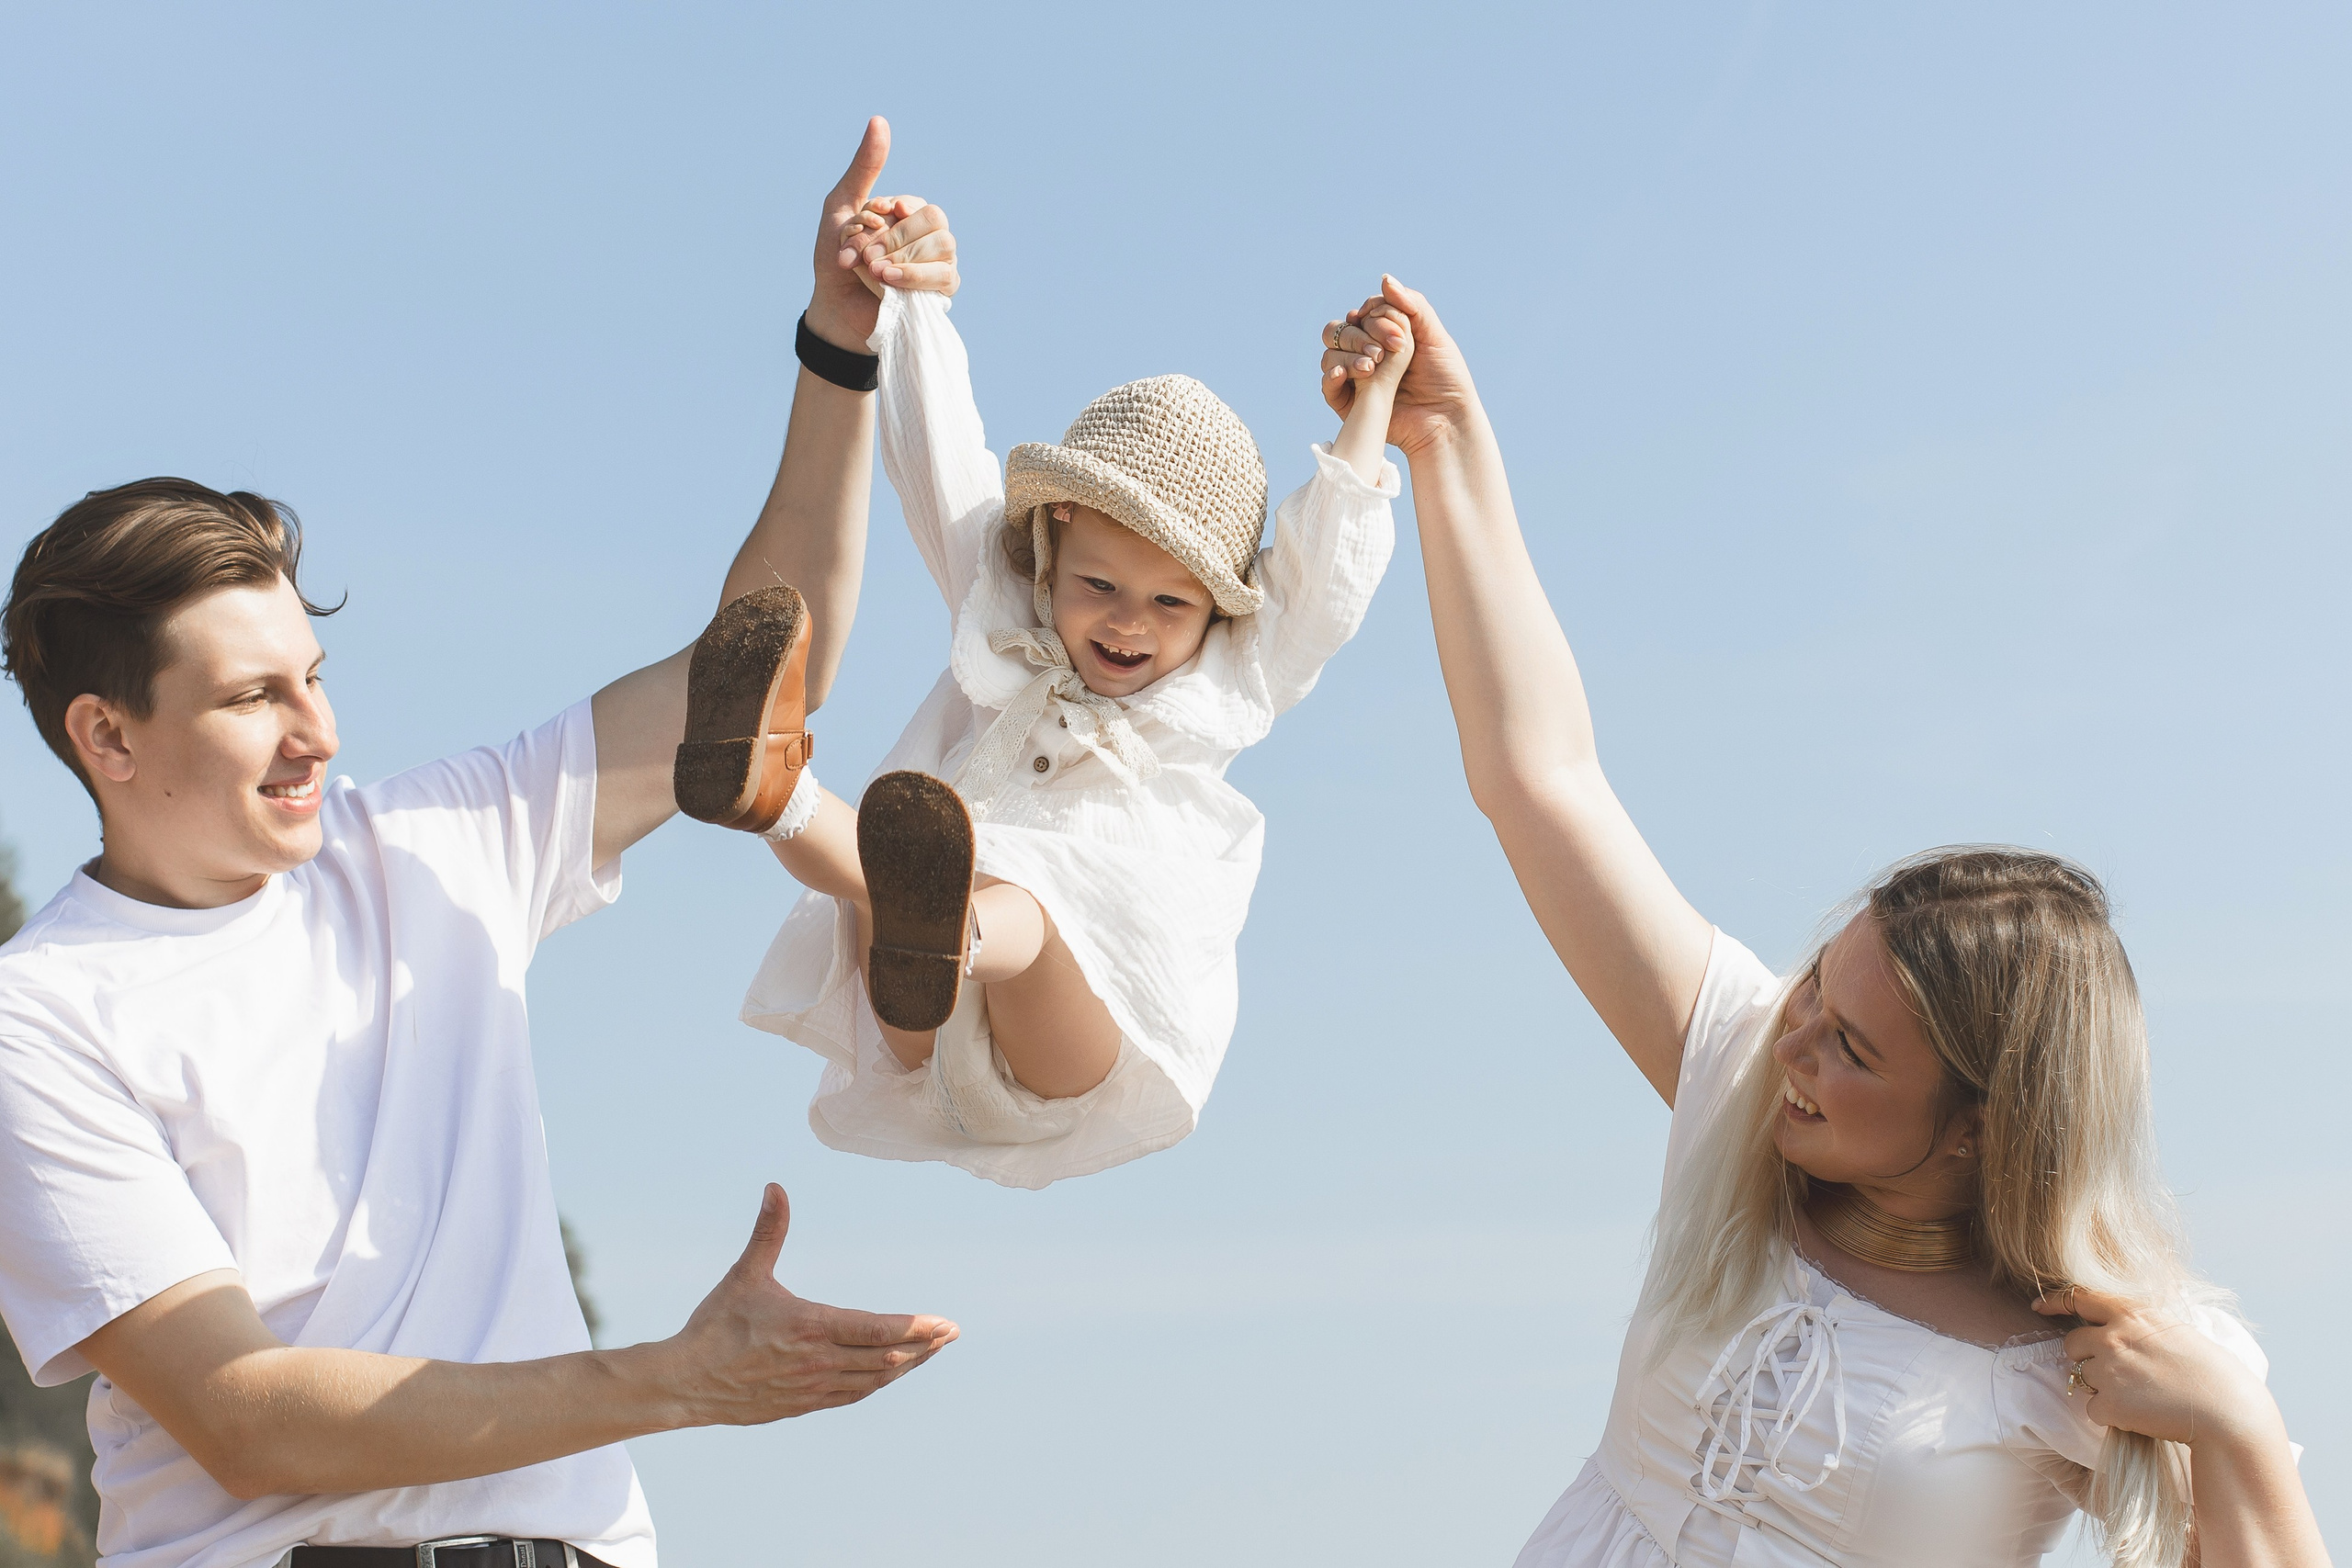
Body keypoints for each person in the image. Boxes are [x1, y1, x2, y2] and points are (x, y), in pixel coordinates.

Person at [0, 119, 964, 1568]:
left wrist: (840, 347)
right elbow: (249, 1414)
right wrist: (675, 1379)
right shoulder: (40, 1020)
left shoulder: (439, 844)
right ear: (108, 736)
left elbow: (759, 687)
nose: (316, 731)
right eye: (255, 697)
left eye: (311, 675)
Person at [1320, 278, 2329, 1568]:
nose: (1796, 1045)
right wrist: (1445, 445)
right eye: (1814, 995)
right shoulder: (1742, 1095)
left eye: (1854, 1046)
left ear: (1984, 1125)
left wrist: (2238, 1433)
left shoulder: (2108, 1349)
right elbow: (1540, 777)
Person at [672, 239, 1408, 1190]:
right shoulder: (1004, 597)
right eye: (1099, 585)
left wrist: (1371, 411)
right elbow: (940, 458)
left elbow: (1325, 569)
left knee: (1016, 897)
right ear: (1052, 540)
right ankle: (769, 787)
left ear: (1218, 608)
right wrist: (912, 301)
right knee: (876, 854)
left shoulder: (1235, 672)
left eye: (1170, 605)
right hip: (915, 1030)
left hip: (1065, 1042)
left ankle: (947, 928)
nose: (1128, 624)